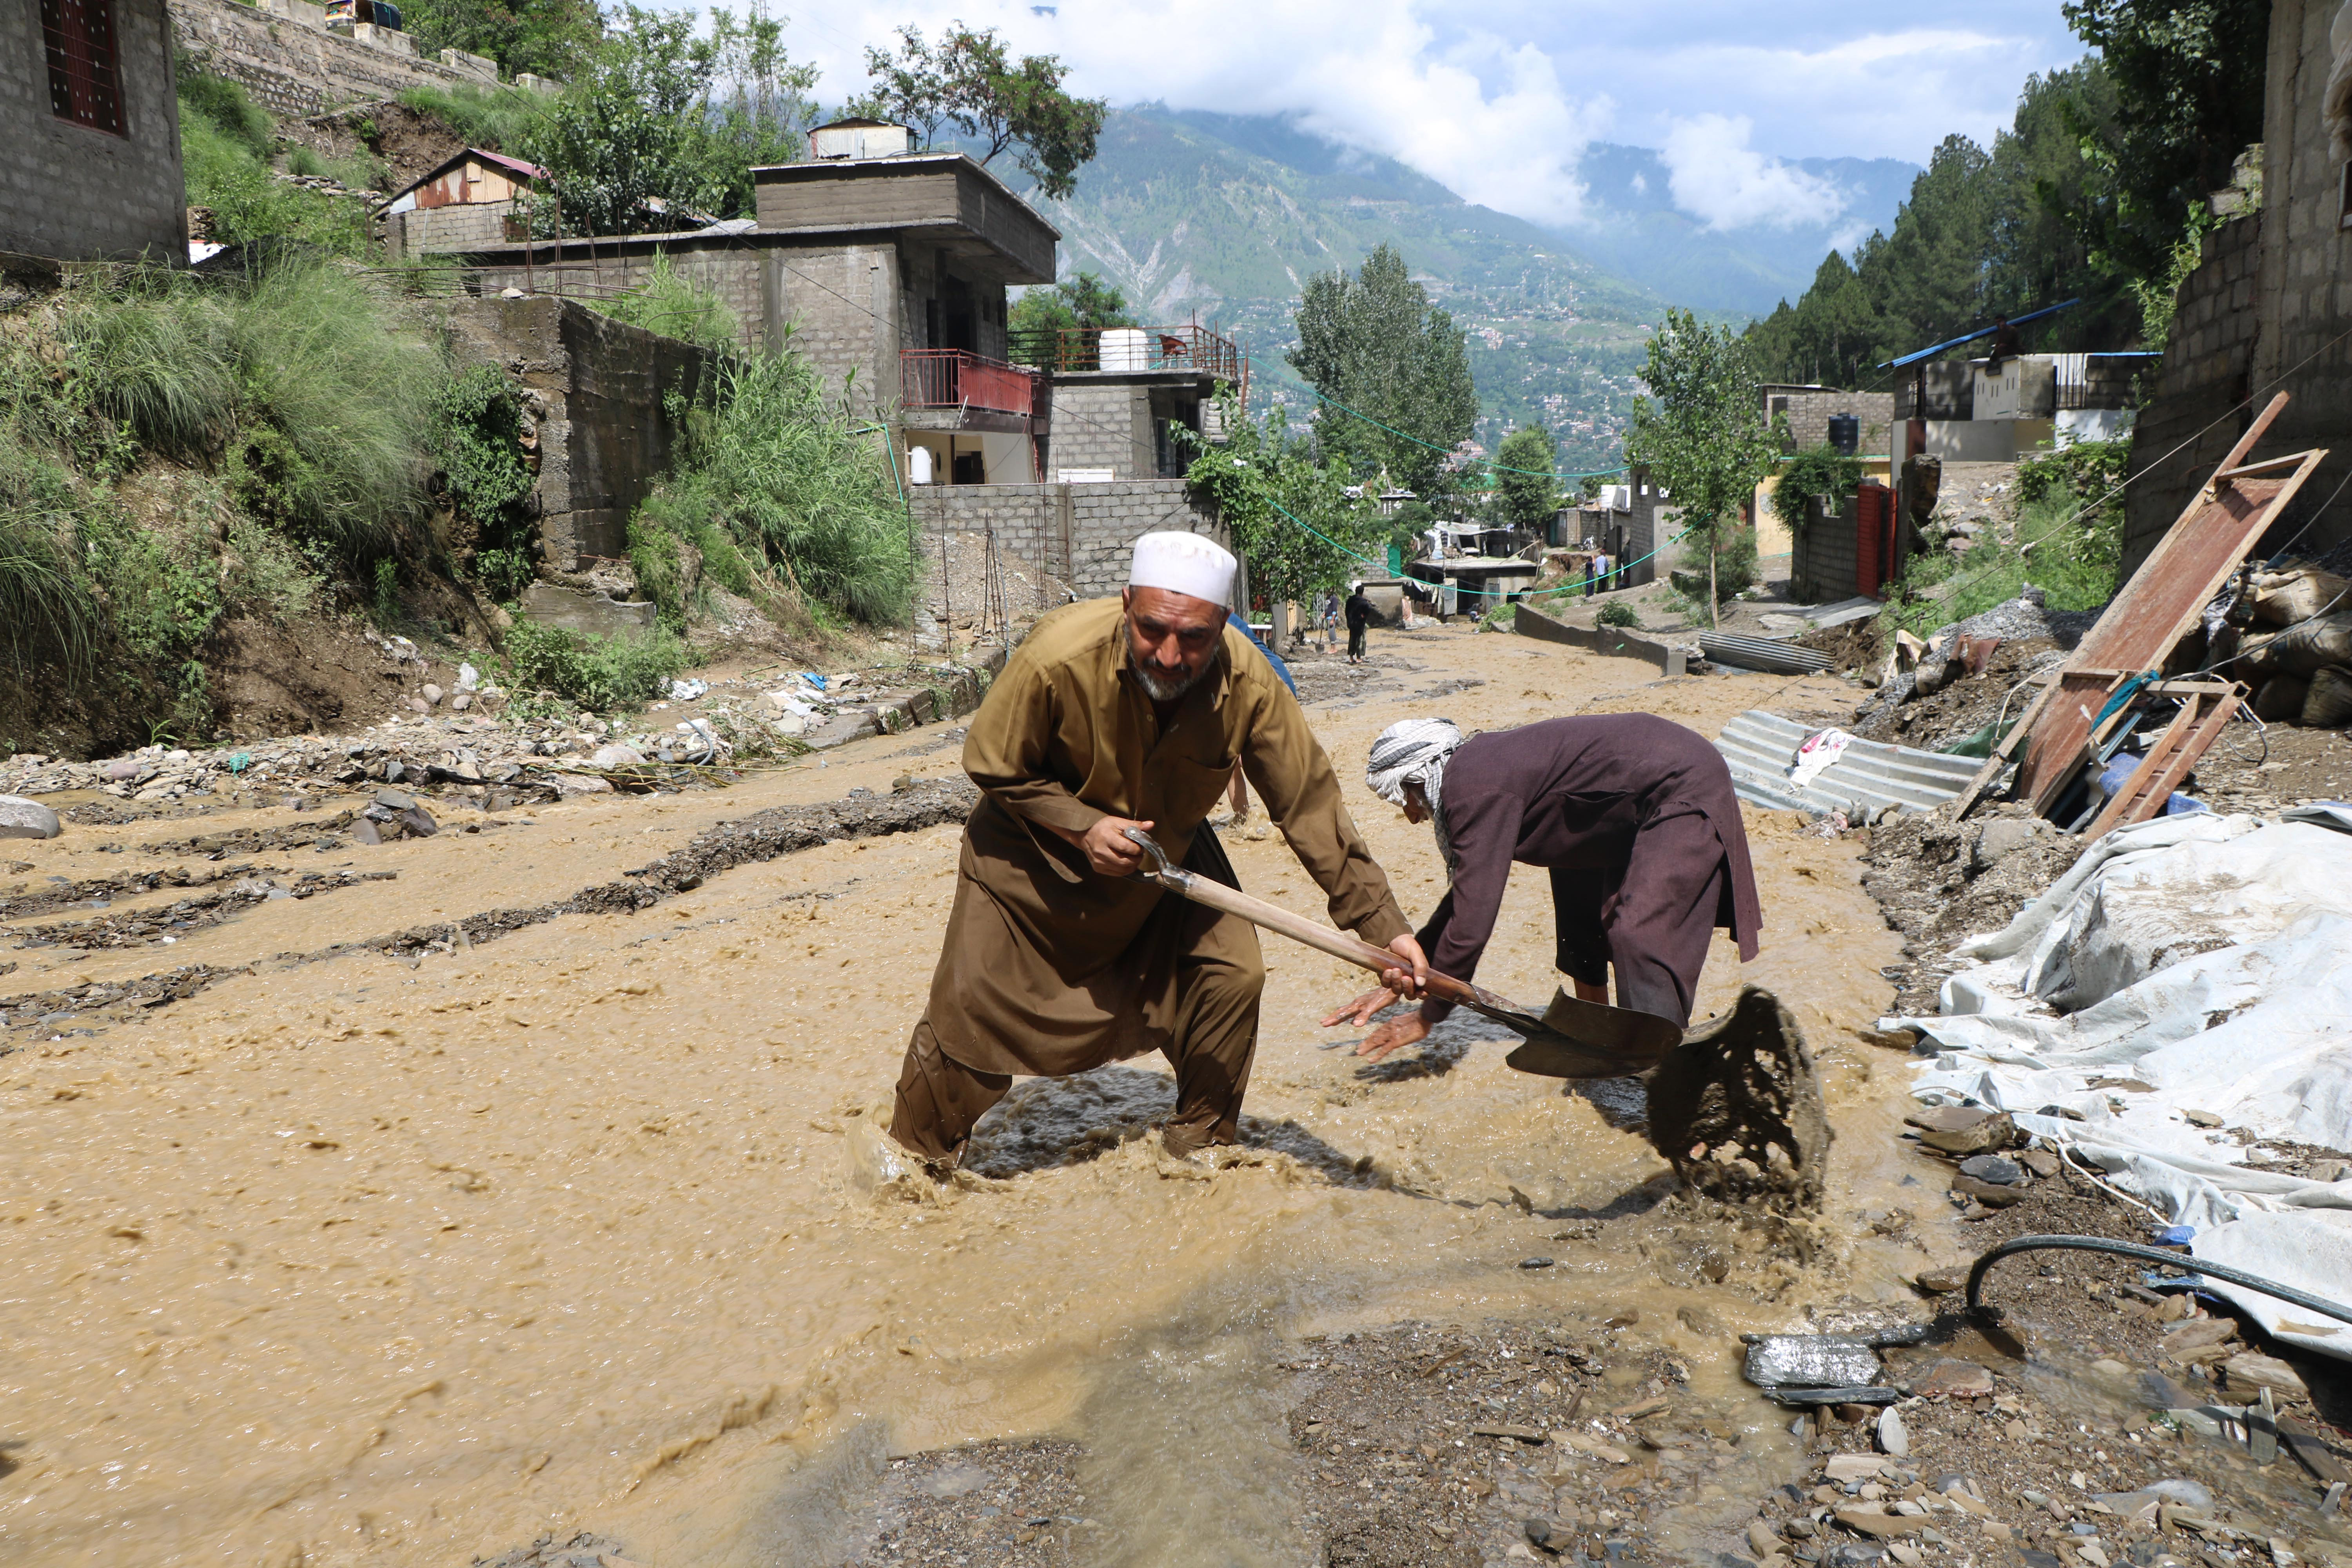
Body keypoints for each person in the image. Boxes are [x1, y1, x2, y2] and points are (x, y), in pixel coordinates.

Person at [889, 532, 1430, 1165]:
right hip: (1030, 854)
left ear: (1224, 624)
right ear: (1126, 605)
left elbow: (1308, 805)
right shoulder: (1056, 658)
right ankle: (912, 1166)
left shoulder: (1250, 681)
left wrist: (1381, 927)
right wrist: (1080, 826)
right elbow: (993, 764)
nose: (1170, 656)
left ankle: (1201, 1150)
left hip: (1162, 861)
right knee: (974, 1018)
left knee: (1232, 973)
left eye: (1195, 638)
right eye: (1151, 631)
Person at [1321, 713, 1762, 1064]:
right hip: (1615, 805)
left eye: (1406, 800)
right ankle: (1601, 1030)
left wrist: (1429, 1016)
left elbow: (1472, 925)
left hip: (1682, 782)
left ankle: (1667, 1066)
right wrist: (1409, 976)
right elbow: (1461, 902)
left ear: (1421, 777)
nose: (1412, 816)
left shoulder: (1470, 788)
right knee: (1576, 903)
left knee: (1640, 933)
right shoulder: (1475, 774)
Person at [1224, 610, 1296, 820]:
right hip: (1270, 679)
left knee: (1241, 759)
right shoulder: (1217, 614)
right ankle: (1247, 820)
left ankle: (1250, 820)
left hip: (1266, 683)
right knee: (1239, 759)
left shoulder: (1211, 621)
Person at [1344, 582, 1374, 664]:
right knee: (1360, 640)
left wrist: (1349, 620)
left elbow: (1346, 611)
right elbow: (1369, 609)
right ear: (1362, 593)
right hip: (1360, 624)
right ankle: (1359, 657)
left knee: (1352, 639)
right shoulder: (1364, 602)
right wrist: (1363, 616)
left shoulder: (1350, 600)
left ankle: (1351, 658)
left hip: (1352, 623)